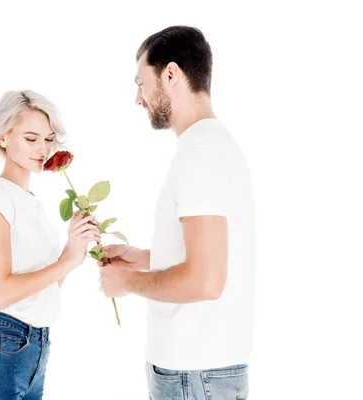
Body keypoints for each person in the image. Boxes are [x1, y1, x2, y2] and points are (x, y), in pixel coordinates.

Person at [98, 26, 255, 399]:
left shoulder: (200, 155)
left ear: (170, 75)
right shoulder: (214, 147)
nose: (138, 98)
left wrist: (128, 285)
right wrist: (143, 260)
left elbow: (205, 281)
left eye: (141, 82)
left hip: (193, 376)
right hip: (203, 373)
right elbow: (212, 260)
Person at [0, 90, 100, 400]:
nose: (43, 149)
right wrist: (65, 262)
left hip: (34, 350)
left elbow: (42, 290)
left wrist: (72, 250)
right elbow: (2, 291)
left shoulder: (31, 202)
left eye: (49, 139)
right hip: (5, 348)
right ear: (3, 137)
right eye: (31, 138)